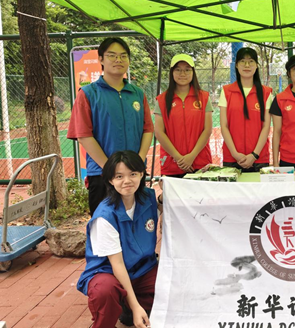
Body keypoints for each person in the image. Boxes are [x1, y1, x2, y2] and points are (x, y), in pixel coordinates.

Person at [68, 37, 154, 215]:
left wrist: (138, 163)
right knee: (104, 225)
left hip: (134, 175)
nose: (118, 60)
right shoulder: (88, 94)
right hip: (102, 175)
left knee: (136, 222)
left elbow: (147, 130)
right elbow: (84, 135)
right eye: (112, 55)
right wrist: (111, 170)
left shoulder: (138, 94)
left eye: (123, 56)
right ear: (100, 59)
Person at [77, 150, 162, 328]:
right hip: (109, 272)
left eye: (133, 174)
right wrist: (136, 306)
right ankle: (120, 312)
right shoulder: (105, 216)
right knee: (104, 291)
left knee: (170, 281)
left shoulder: (148, 197)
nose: (127, 181)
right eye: (119, 176)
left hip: (142, 269)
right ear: (110, 180)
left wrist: (167, 194)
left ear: (142, 174)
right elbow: (117, 265)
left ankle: (129, 309)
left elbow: (163, 207)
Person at [154, 54, 213, 177]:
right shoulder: (162, 100)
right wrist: (178, 158)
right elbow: (159, 132)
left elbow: (207, 130)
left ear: (193, 72)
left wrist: (192, 156)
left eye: (187, 70)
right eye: (178, 70)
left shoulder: (204, 97)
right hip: (172, 165)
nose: (183, 74)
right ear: (172, 72)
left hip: (200, 163)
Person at [219, 47, 273, 172]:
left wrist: (254, 155)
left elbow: (266, 127)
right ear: (236, 65)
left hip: (259, 159)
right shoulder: (226, 91)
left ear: (257, 65)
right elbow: (224, 126)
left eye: (251, 61)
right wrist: (235, 153)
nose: (247, 65)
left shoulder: (266, 93)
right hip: (232, 158)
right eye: (242, 61)